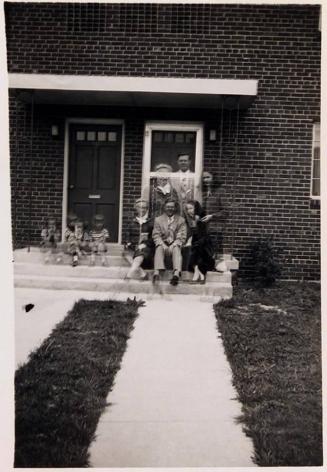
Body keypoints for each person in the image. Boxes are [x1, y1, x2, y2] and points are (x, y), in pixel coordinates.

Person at [152, 199, 187, 286]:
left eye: (172, 207)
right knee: (159, 247)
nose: (170, 209)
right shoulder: (158, 220)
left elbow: (182, 236)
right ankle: (156, 273)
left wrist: (174, 244)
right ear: (164, 207)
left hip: (174, 243)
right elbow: (156, 235)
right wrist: (162, 244)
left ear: (175, 208)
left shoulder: (181, 220)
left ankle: (176, 274)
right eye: (168, 207)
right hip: (163, 244)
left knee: (176, 248)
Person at [183, 200, 215, 283]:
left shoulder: (202, 219)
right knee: (193, 248)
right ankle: (200, 274)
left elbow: (204, 237)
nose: (189, 211)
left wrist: (192, 241)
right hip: (197, 247)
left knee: (196, 248)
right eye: (187, 209)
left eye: (191, 208)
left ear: (196, 209)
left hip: (206, 248)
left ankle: (197, 274)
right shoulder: (188, 221)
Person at [123, 199, 154, 280]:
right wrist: (128, 242)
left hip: (145, 247)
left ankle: (129, 274)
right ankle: (143, 273)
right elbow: (127, 235)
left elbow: (153, 237)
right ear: (136, 208)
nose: (142, 209)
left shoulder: (151, 222)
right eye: (140, 207)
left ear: (147, 209)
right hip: (133, 246)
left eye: (144, 207)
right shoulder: (131, 221)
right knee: (125, 253)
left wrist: (145, 244)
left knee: (140, 252)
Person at [200, 171, 228, 259]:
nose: (205, 180)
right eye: (204, 178)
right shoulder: (202, 192)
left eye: (208, 177)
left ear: (213, 178)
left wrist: (212, 216)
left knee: (215, 253)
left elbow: (226, 211)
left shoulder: (221, 191)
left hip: (216, 228)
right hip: (204, 228)